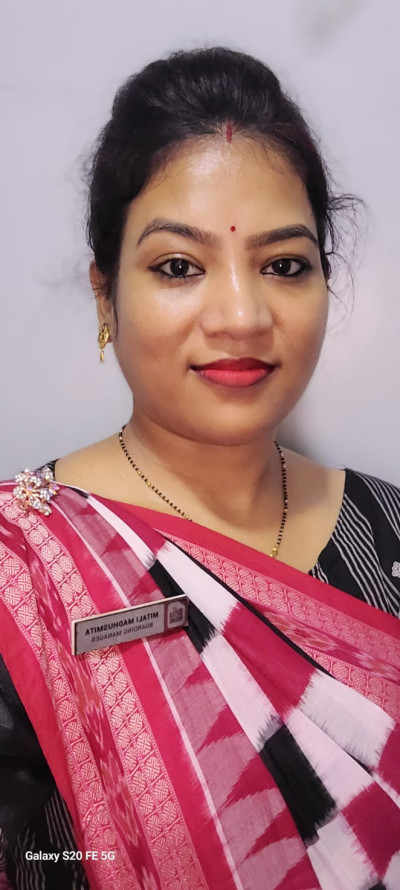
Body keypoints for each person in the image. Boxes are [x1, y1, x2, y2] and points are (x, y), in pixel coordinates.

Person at [1, 45, 399, 890]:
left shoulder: (391, 531)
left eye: (284, 265)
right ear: (106, 293)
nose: (242, 316)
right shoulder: (22, 569)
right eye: (179, 267)